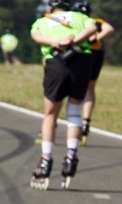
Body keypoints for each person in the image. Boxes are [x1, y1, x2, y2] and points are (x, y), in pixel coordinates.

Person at [29, 0, 97, 190]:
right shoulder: (81, 17)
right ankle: (71, 155)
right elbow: (93, 28)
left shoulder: (43, 20)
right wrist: (74, 39)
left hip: (57, 60)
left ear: (51, 7)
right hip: (81, 60)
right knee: (75, 110)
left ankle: (45, 160)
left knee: (51, 114)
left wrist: (54, 42)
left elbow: (35, 36)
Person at [72, 0, 113, 146]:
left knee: (72, 88)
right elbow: (109, 29)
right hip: (96, 53)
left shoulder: (75, 21)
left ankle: (72, 121)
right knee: (90, 88)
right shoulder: (95, 21)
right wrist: (96, 38)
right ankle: (85, 123)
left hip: (81, 53)